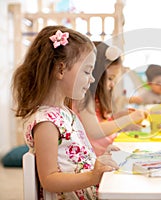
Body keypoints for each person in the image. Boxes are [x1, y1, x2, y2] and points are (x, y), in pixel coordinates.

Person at [11, 25, 118, 199]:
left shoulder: (65, 113)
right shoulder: (46, 122)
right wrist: (93, 175)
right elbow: (49, 180)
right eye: (87, 71)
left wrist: (101, 159)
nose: (92, 79)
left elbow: (75, 161)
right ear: (61, 69)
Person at [75, 42, 147, 156]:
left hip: (108, 149)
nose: (112, 84)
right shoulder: (84, 97)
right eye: (110, 78)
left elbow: (97, 122)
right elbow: (95, 131)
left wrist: (116, 117)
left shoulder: (95, 98)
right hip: (97, 157)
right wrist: (129, 118)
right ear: (95, 72)